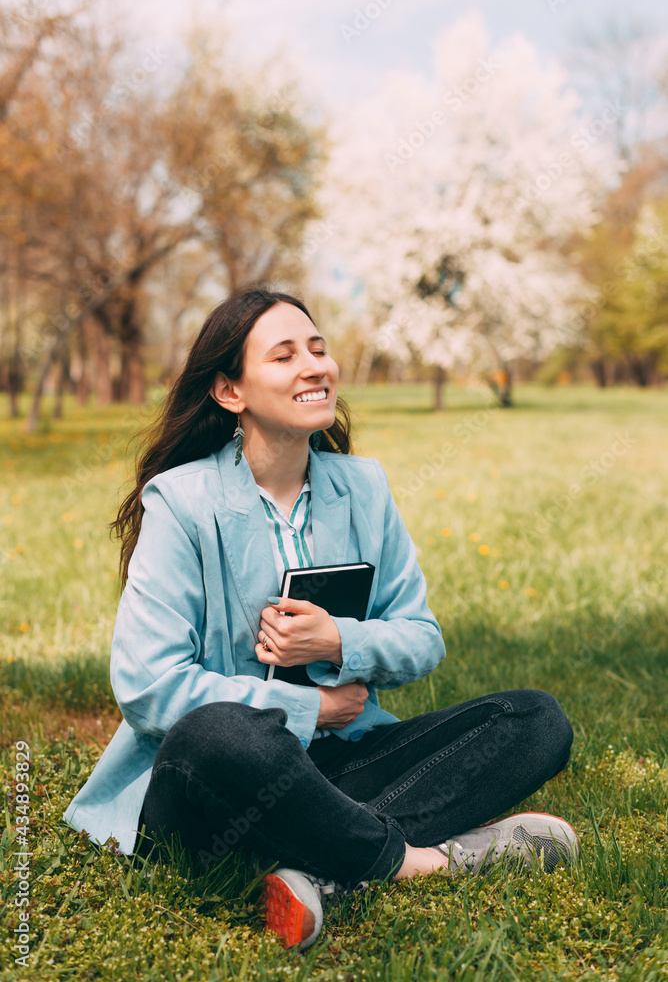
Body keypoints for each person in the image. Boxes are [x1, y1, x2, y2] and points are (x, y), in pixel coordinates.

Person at [62, 286, 578, 952]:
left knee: (535, 719)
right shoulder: (183, 504)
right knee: (221, 732)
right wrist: (309, 710)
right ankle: (417, 860)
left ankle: (318, 865)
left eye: (319, 349)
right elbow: (148, 687)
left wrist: (343, 641)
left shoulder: (363, 487)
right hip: (218, 783)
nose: (314, 366)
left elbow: (422, 637)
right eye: (284, 356)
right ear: (229, 392)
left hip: (338, 766)